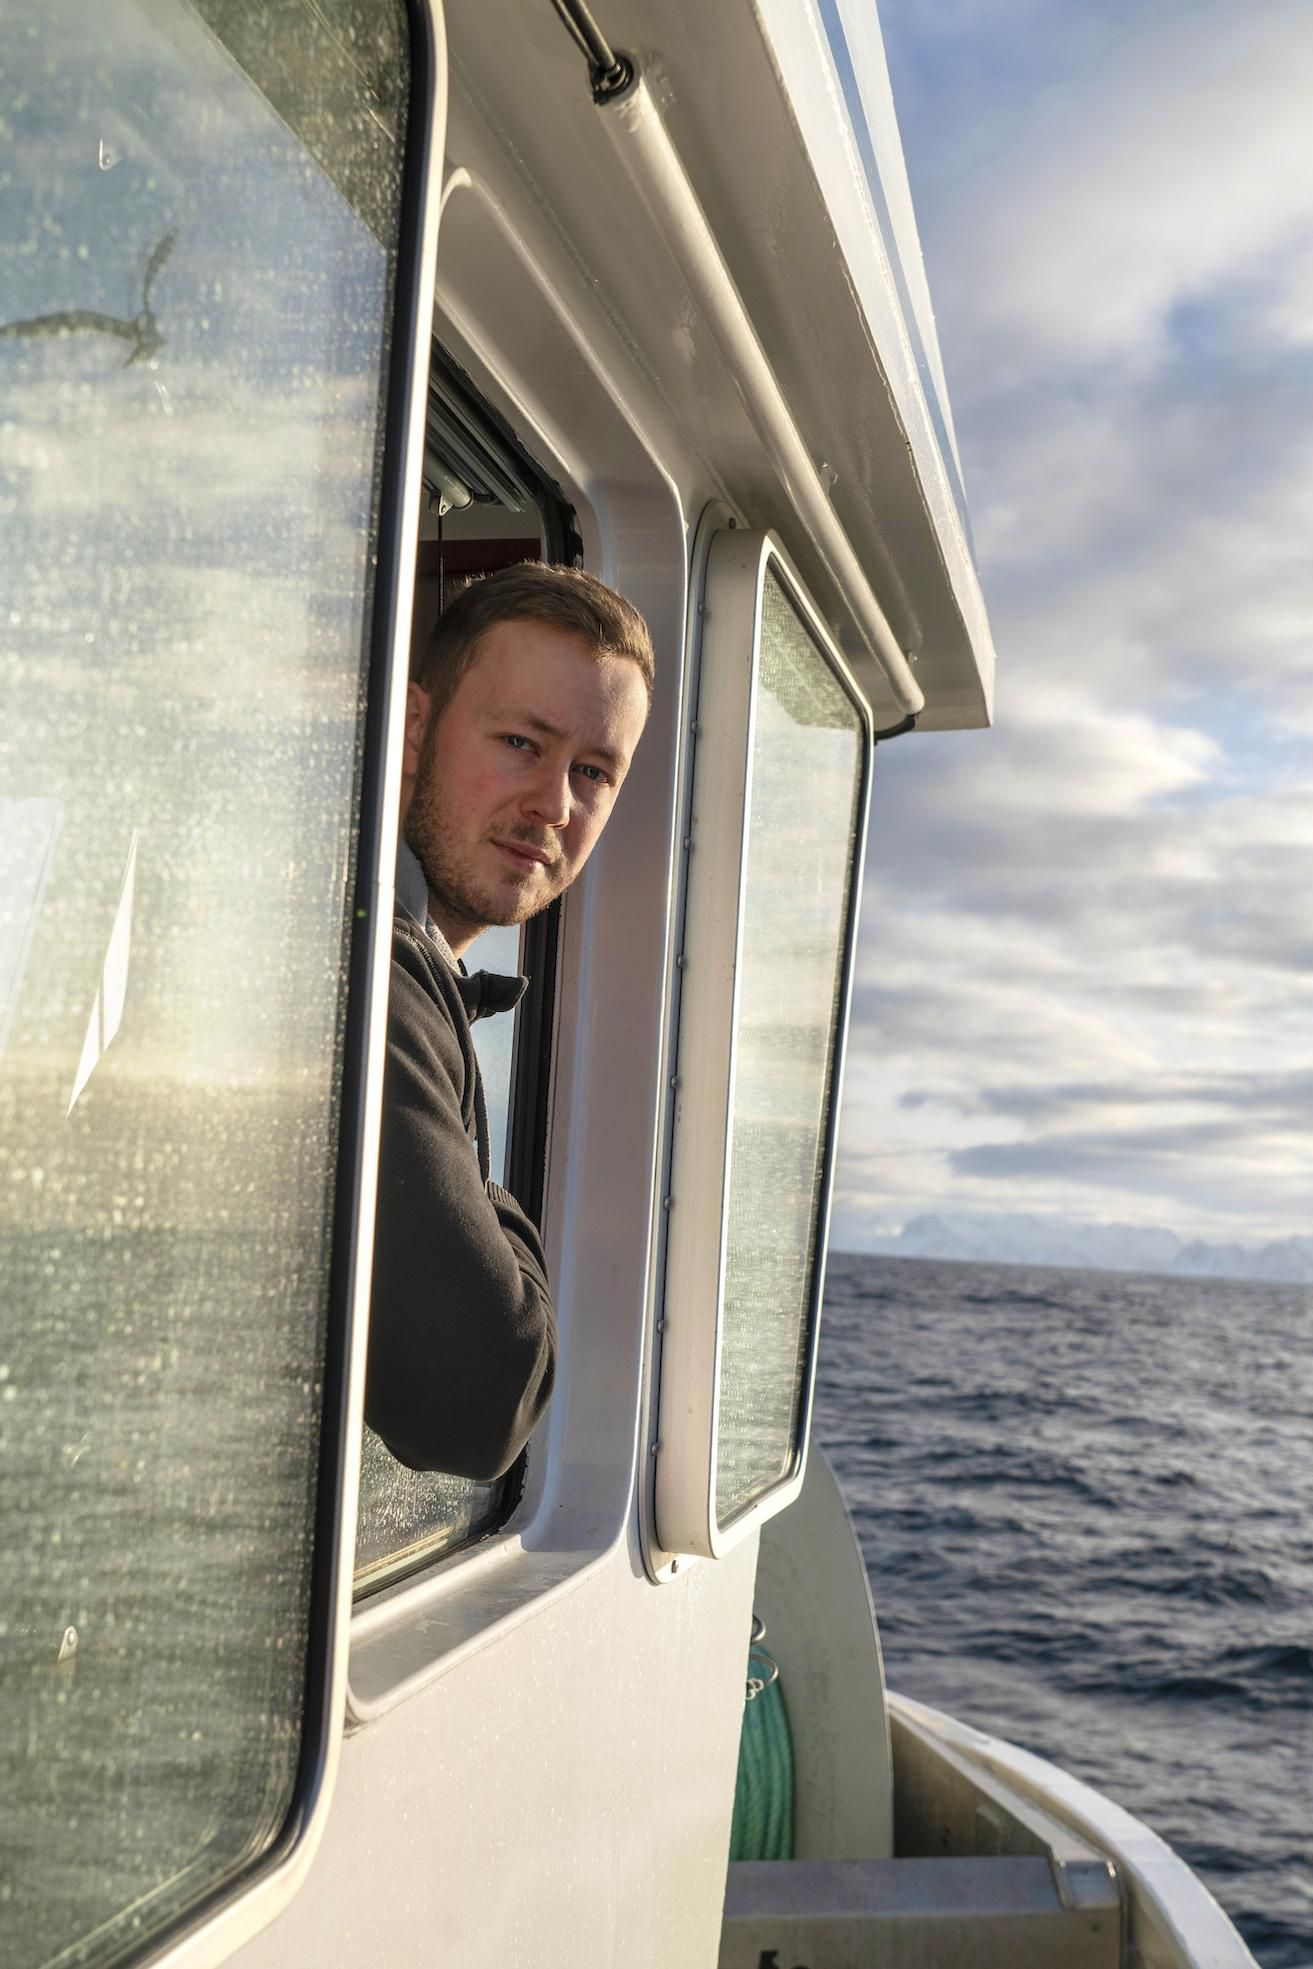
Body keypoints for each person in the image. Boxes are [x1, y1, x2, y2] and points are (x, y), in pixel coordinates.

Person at [365, 562, 654, 1480]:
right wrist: (496, 1208)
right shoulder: (369, 962)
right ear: (416, 727)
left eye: (594, 771)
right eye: (523, 743)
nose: (556, 805)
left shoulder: (420, 964)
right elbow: (484, 1400)